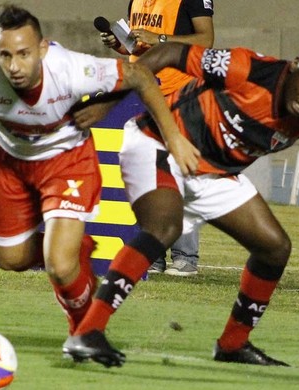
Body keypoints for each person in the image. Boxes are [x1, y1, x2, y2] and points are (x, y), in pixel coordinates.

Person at [64, 40, 299, 368]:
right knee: (164, 228)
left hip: (212, 173)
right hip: (158, 142)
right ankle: (87, 332)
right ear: (297, 64)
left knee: (275, 247)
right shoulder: (246, 68)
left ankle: (233, 344)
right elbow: (169, 52)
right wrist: (110, 101)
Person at [0, 4, 185, 337]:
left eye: (24, 54)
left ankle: (85, 332)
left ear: (42, 48)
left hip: (66, 159)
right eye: (6, 55)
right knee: (10, 260)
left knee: (59, 264)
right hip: (10, 161)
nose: (14, 66)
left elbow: (140, 75)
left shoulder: (71, 69)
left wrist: (173, 137)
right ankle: (77, 250)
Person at [86, 0, 215, 276]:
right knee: (146, 174)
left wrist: (161, 39)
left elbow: (206, 40)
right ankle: (152, 252)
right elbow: (138, 48)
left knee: (182, 172)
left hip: (182, 92)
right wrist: (120, 44)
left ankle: (185, 256)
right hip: (143, 92)